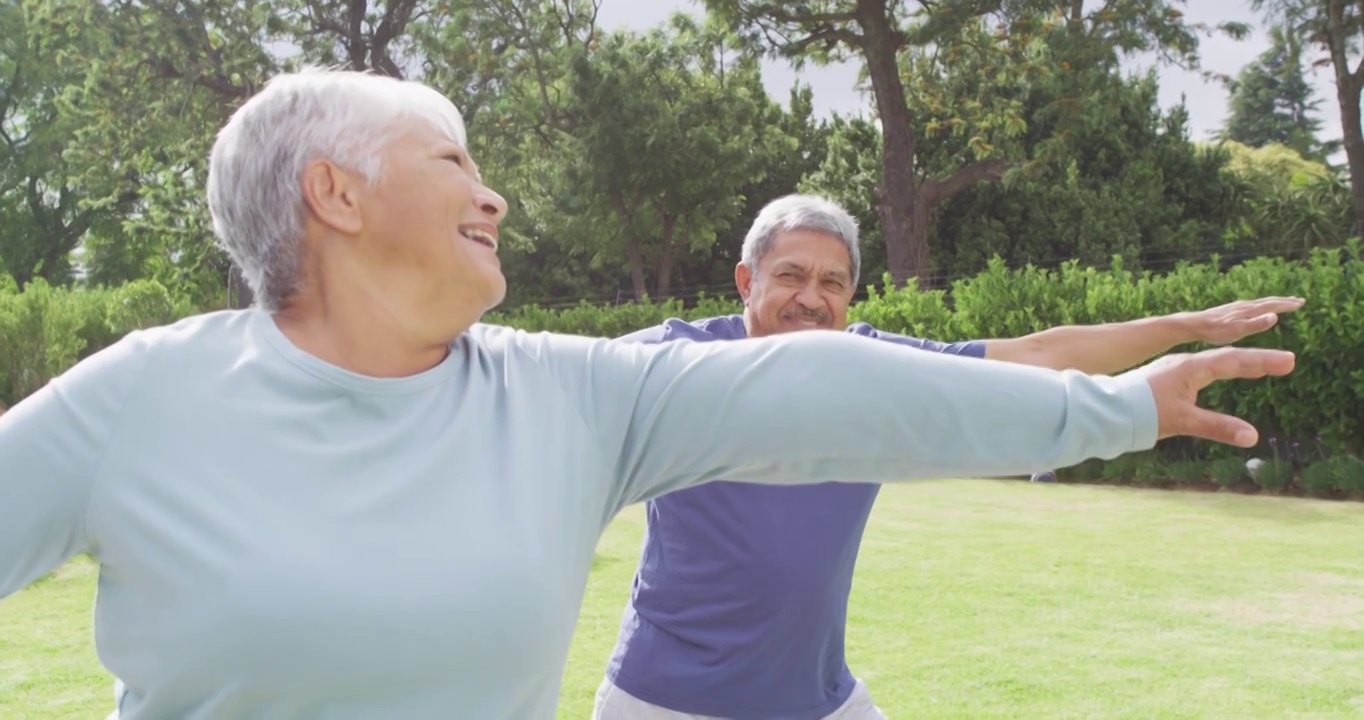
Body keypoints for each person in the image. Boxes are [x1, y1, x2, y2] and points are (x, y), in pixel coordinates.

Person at [0, 69, 1294, 720]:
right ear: (334, 196)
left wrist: (1131, 404)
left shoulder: (569, 398)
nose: (492, 192)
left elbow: (831, 391)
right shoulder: (142, 403)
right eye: (452, 158)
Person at [594, 194, 1305, 720]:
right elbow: (548, 386)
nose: (810, 298)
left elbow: (1034, 356)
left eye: (832, 283)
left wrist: (1185, 327)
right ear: (746, 282)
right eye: (790, 276)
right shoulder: (676, 359)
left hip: (816, 698)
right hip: (668, 700)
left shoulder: (869, 369)